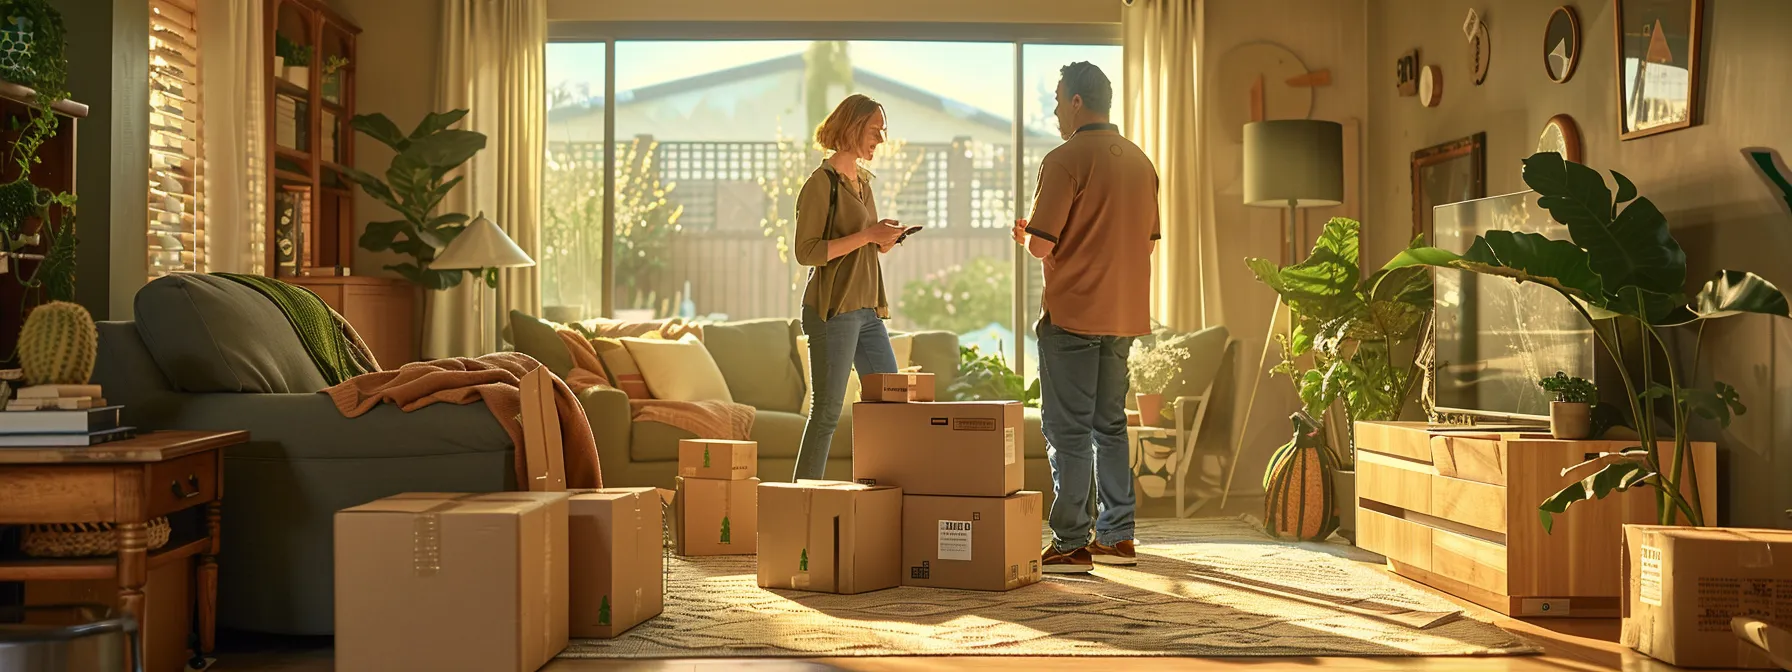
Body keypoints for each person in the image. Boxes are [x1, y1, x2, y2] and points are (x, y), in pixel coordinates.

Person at [1012, 62, 1160, 573]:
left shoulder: (1064, 159)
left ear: (1077, 102)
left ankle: (1072, 542)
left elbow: (1040, 244)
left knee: (1068, 431)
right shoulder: (1142, 163)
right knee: (1110, 426)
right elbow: (1148, 241)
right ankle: (1118, 537)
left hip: (1073, 313)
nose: (1054, 110)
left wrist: (1027, 233)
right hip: (1123, 317)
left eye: (1057, 100)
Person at [791, 94, 909, 481]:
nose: (880, 138)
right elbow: (806, 253)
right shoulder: (819, 184)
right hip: (833, 311)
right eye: (875, 130)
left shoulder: (863, 183)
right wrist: (867, 236)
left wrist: (881, 239)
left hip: (868, 309)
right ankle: (800, 504)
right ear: (854, 127)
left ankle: (881, 497)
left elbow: (862, 240)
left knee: (892, 405)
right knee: (826, 413)